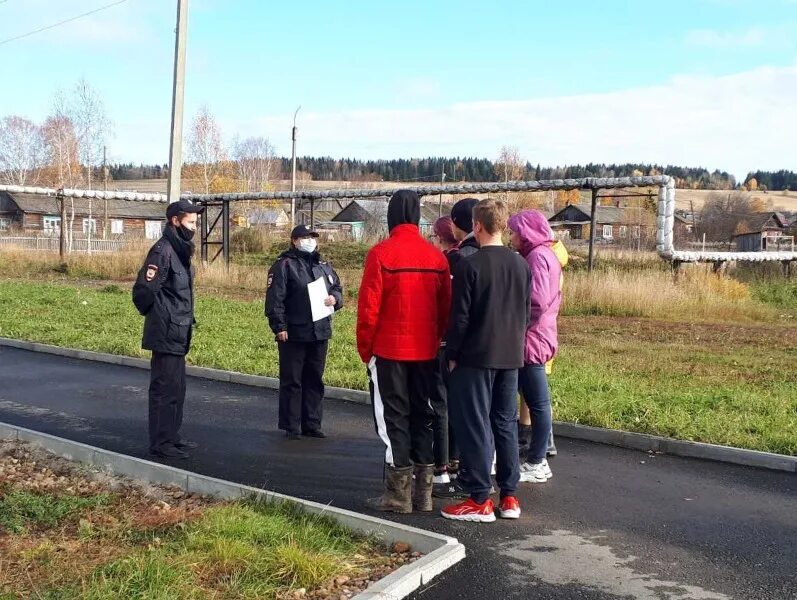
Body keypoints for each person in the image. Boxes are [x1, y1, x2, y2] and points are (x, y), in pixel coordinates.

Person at [357, 189, 451, 514]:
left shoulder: (381, 254)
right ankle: (423, 496)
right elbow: (444, 310)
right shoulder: (437, 258)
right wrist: (433, 339)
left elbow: (368, 310)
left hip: (390, 351)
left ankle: (398, 496)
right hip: (426, 352)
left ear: (392, 215)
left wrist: (366, 350)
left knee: (394, 418)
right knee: (423, 416)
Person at [441, 198, 530, 523]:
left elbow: (460, 318)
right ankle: (509, 495)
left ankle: (479, 497)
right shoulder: (521, 264)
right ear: (503, 225)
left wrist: (452, 354)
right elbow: (526, 311)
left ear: (477, 226)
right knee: (504, 423)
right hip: (511, 355)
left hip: (476, 356)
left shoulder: (470, 265)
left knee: (475, 424)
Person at [132, 198, 204, 460]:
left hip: (179, 330)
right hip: (166, 330)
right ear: (175, 221)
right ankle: (161, 443)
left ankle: (172, 436)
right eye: (191, 222)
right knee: (164, 389)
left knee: (177, 388)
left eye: (196, 222)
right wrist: (160, 315)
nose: (194, 227)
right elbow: (143, 291)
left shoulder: (180, 251)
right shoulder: (162, 251)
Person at [265, 224, 343, 440]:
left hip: (320, 331)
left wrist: (335, 299)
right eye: (305, 237)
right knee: (293, 380)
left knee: (314, 378)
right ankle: (292, 425)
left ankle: (312, 423)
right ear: (294, 240)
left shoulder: (323, 264)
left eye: (312, 237)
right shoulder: (284, 265)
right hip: (295, 331)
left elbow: (336, 287)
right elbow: (275, 299)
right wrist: (279, 326)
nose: (310, 240)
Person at [508, 210, 565, 483]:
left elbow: (538, 301)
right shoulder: (544, 255)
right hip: (538, 336)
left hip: (531, 339)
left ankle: (536, 459)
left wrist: (514, 321)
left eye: (514, 231)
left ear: (526, 232)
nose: (511, 237)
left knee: (538, 403)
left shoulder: (537, 258)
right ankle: (537, 457)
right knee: (536, 401)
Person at [429, 217, 459, 486]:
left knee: (439, 405)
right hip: (462, 344)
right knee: (457, 401)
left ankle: (440, 464)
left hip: (441, 342)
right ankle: (457, 458)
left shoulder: (441, 265)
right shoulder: (468, 261)